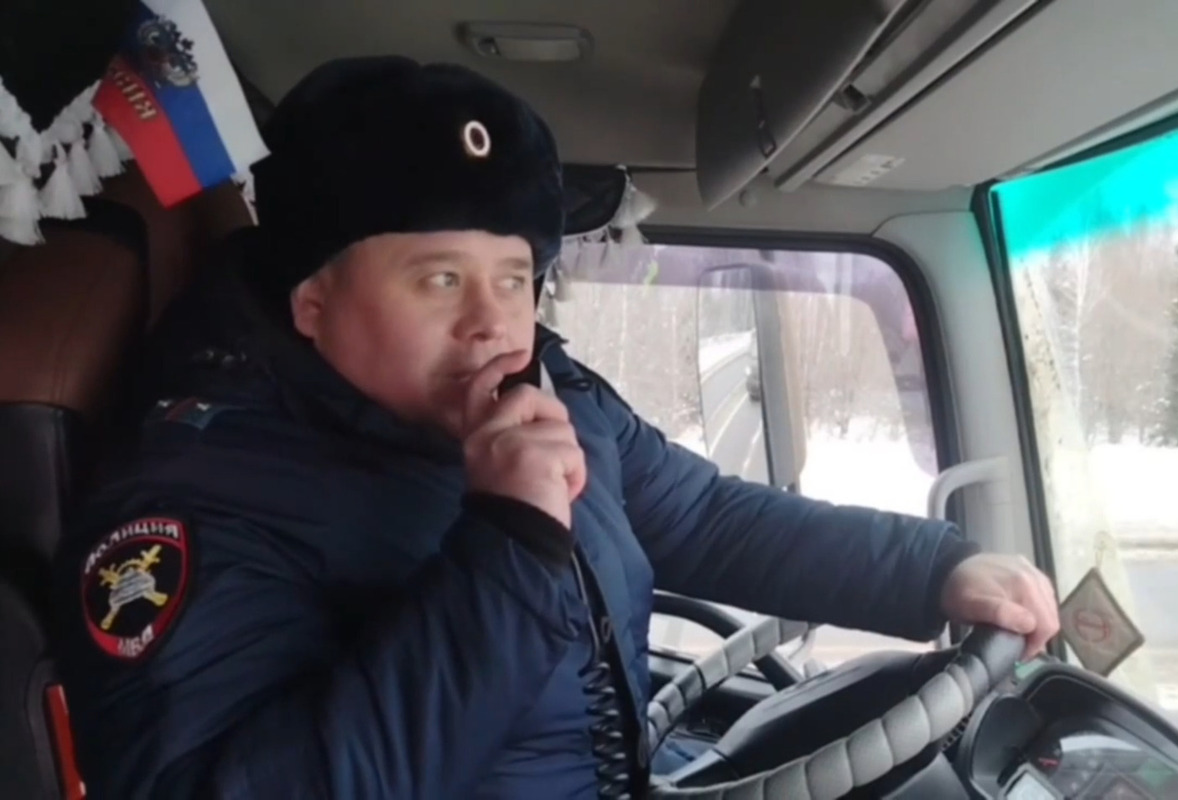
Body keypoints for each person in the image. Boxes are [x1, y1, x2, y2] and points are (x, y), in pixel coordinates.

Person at [52, 56, 1060, 800]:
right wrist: (510, 545)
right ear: (312, 301)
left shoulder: (546, 389)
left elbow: (703, 515)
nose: (492, 322)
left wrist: (929, 569)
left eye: (513, 278)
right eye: (439, 279)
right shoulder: (192, 499)